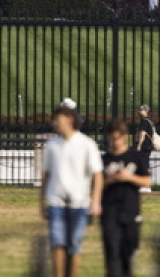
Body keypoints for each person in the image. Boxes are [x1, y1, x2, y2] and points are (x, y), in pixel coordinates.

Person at [41, 103, 103, 277]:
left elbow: (97, 175)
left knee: (74, 245)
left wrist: (96, 201)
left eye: (57, 120)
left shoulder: (86, 144)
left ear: (69, 120)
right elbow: (46, 175)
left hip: (79, 203)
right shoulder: (51, 146)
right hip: (56, 202)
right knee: (57, 243)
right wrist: (42, 201)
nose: (55, 123)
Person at [100, 118, 151, 277]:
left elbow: (147, 181)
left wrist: (129, 177)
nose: (116, 142)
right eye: (113, 138)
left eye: (119, 138)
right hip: (110, 212)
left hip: (130, 211)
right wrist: (110, 180)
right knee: (112, 251)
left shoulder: (135, 157)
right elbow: (96, 186)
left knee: (128, 252)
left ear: (125, 136)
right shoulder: (104, 160)